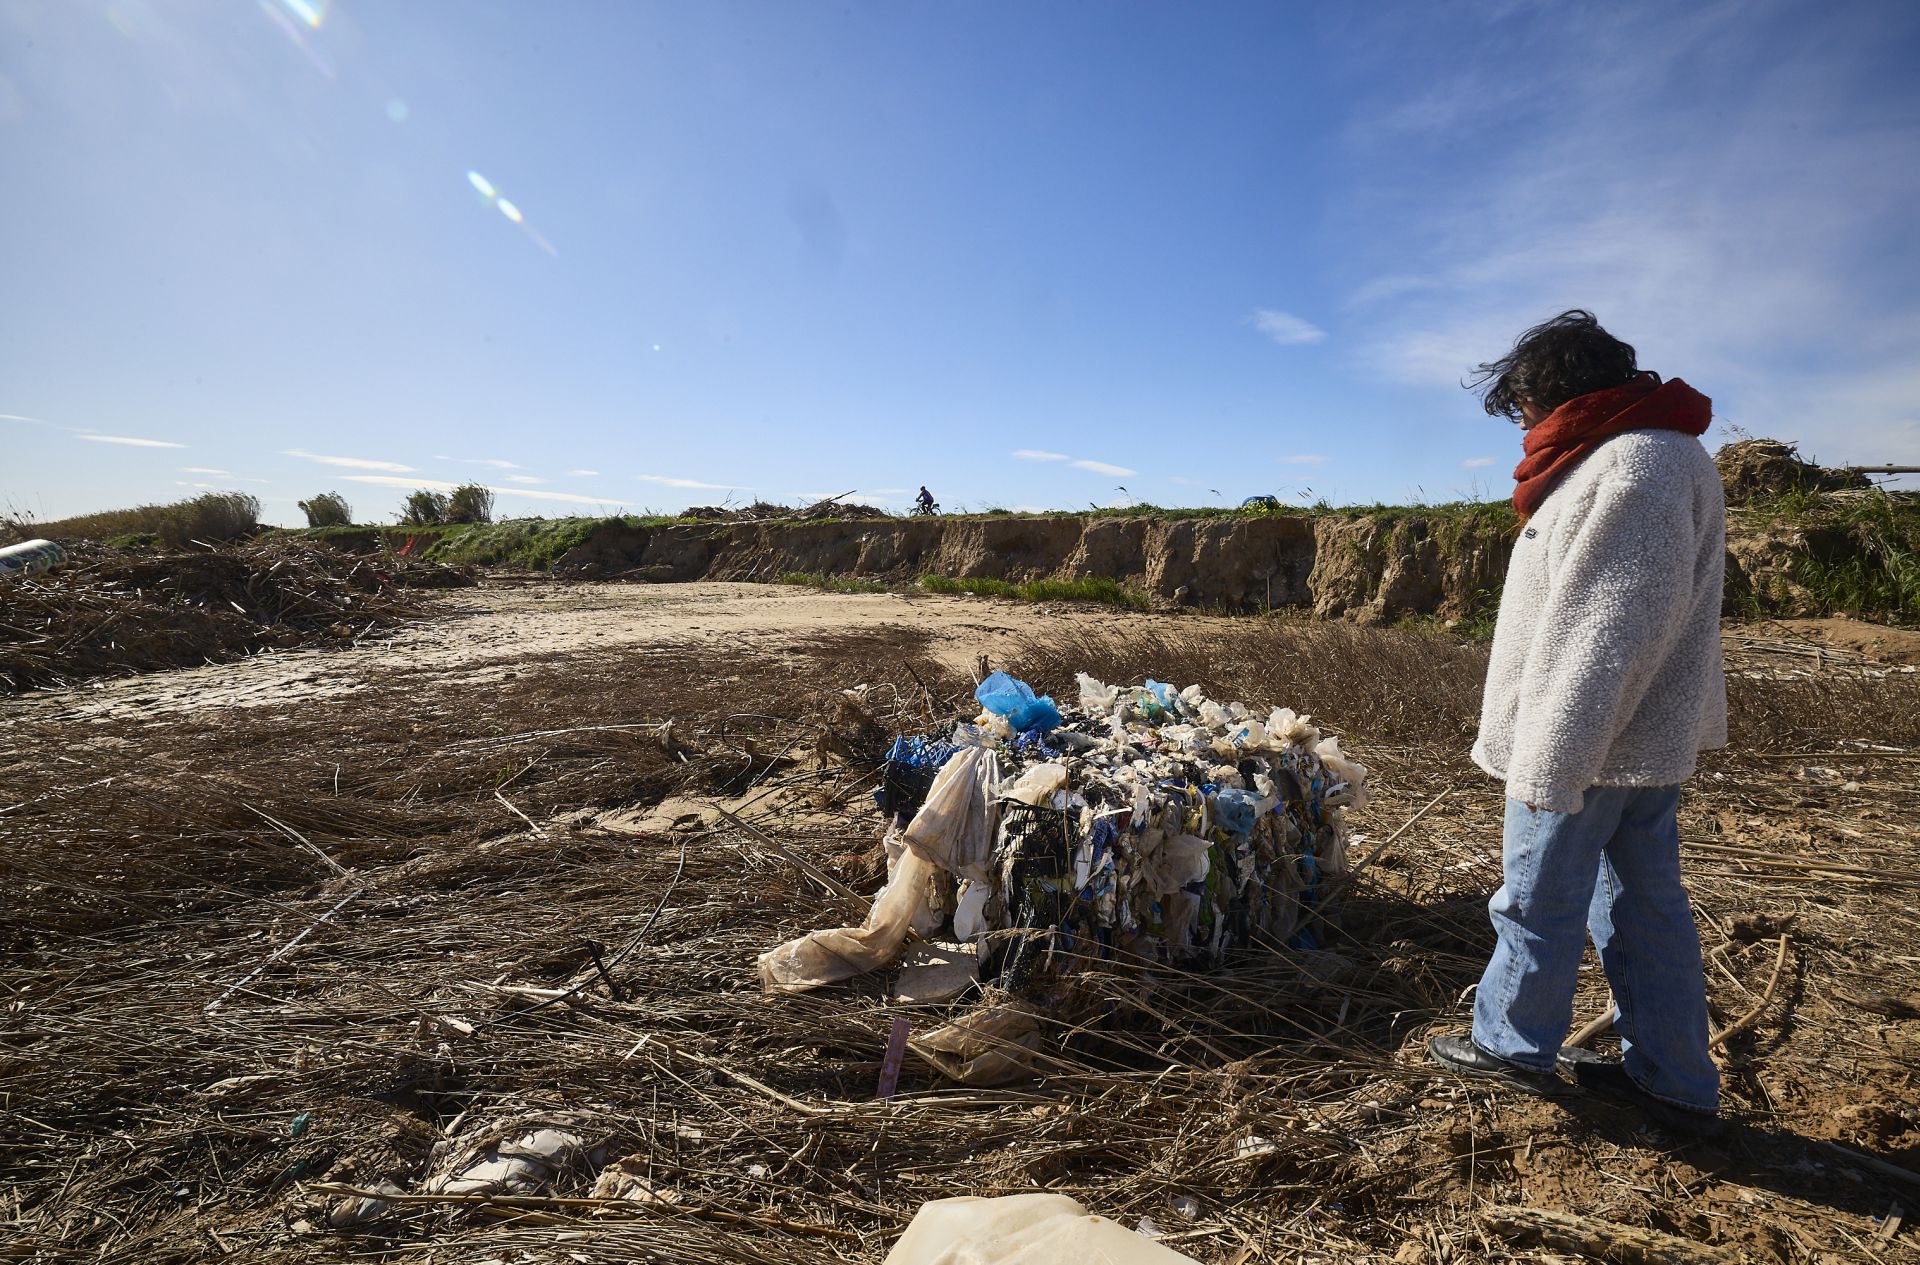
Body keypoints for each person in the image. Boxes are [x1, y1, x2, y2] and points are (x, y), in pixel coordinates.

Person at [1427, 310, 1727, 1134]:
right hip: (1631, 743)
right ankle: (1672, 1076)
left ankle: (1511, 1045)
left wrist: (1551, 762)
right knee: (1642, 907)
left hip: (1589, 744)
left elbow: (1609, 631)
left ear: (1553, 389)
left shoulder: (1633, 466)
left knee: (1537, 900)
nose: (1521, 423)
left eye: (1522, 403)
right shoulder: (1650, 452)